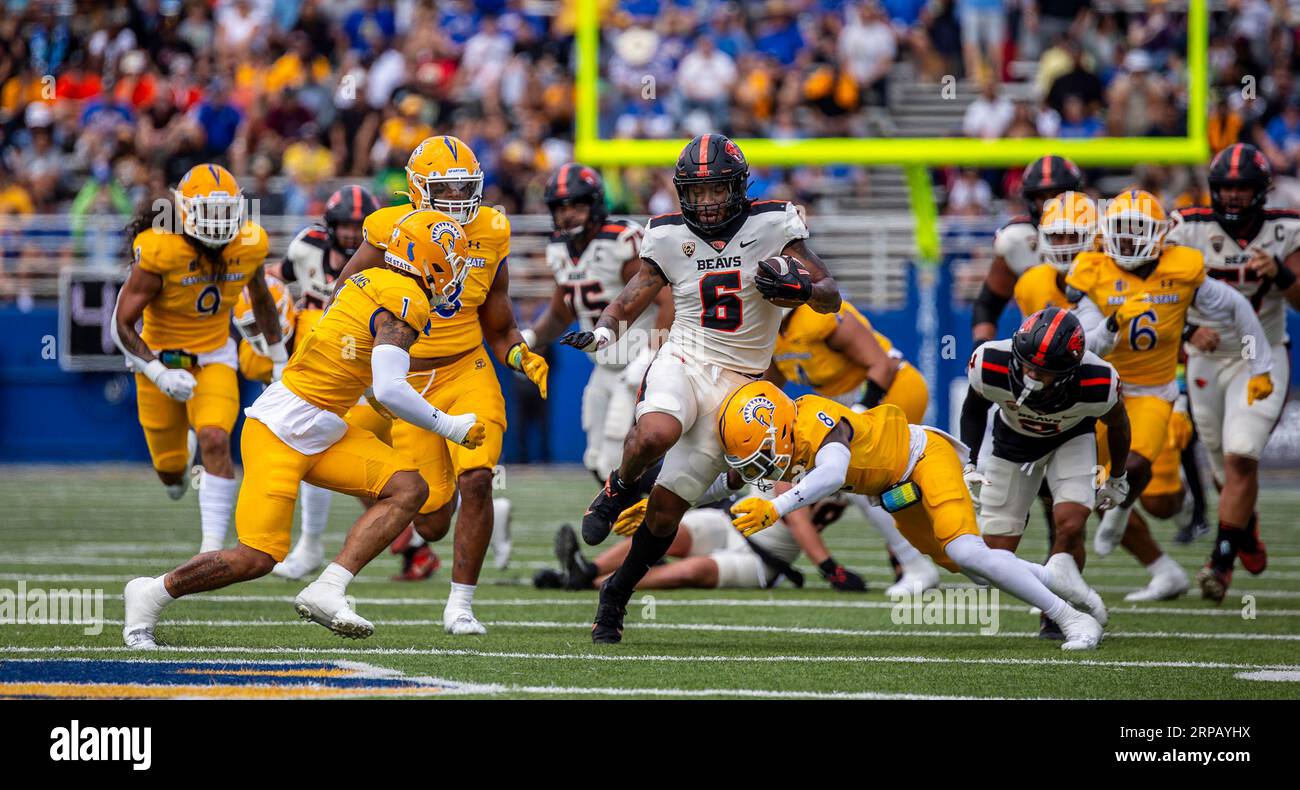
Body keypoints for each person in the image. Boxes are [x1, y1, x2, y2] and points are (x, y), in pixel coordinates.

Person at [122, 210, 487, 648]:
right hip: (282, 429)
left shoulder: (368, 280)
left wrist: (371, 399)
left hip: (325, 424)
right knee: (257, 557)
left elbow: (354, 361)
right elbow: (391, 387)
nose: (458, 272)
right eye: (453, 260)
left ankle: (327, 588)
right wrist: (450, 426)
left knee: (409, 488)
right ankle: (151, 593)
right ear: (428, 259)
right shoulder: (406, 300)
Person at [561, 133, 842, 644]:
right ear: (682, 192)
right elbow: (629, 298)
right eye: (699, 191)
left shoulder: (775, 222)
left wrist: (801, 287)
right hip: (685, 357)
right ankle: (618, 488)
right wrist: (603, 333)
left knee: (668, 511)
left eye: (717, 190)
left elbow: (830, 295)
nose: (708, 202)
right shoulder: (667, 234)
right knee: (654, 435)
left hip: (741, 385)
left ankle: (616, 595)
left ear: (737, 187)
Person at [332, 136, 547, 634]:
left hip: (466, 370)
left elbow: (498, 320)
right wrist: (363, 360)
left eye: (464, 188)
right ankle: (478, 518)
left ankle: (461, 606)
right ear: (416, 188)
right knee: (430, 521)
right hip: (409, 381)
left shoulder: (490, 229)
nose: (456, 200)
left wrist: (518, 353)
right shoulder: (388, 226)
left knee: (477, 477)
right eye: (443, 189)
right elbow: (347, 293)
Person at [718, 381, 1106, 650]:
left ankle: (1070, 617)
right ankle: (1055, 575)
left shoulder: (813, 418)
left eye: (764, 455)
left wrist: (776, 506)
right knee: (975, 570)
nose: (763, 468)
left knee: (969, 552)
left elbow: (833, 472)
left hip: (922, 457)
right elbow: (727, 479)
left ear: (782, 426)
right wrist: (670, 504)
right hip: (896, 493)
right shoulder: (781, 439)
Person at [1068, 189, 1275, 601]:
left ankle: (1122, 512)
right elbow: (1086, 346)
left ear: (1157, 235)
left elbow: (1239, 308)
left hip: (1152, 390)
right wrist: (1111, 326)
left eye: (1136, 231)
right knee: (1080, 485)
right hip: (1099, 388)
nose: (1126, 241)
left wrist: (1260, 365)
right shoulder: (1093, 269)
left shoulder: (1182, 268)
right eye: (1120, 232)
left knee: (1137, 463)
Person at [112, 164, 285, 554]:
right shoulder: (160, 249)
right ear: (185, 210)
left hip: (213, 357)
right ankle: (178, 467)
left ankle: (210, 550)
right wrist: (156, 372)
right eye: (209, 211)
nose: (218, 222)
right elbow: (120, 324)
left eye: (226, 212)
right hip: (158, 359)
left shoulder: (249, 243)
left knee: (215, 437)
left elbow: (261, 300)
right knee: (171, 474)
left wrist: (278, 359)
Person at [1165, 143, 1300, 601]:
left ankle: (1220, 563)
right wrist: (1186, 329)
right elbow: (1159, 291)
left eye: (1243, 188)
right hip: (1205, 357)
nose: (1235, 196)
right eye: (1227, 187)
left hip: (1259, 355)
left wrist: (1281, 272)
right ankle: (1247, 529)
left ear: (1260, 191)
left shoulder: (1285, 229)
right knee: (1221, 461)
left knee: (1242, 454)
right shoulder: (1188, 228)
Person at [961, 307, 1129, 634]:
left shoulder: (1098, 381)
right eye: (1026, 365)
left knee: (1070, 521)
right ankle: (1056, 579)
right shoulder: (990, 362)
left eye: (1043, 371)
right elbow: (974, 408)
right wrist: (969, 460)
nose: (1032, 375)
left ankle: (1056, 612)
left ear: (1069, 370)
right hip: (1011, 443)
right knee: (989, 562)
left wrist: (1117, 476)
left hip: (1071, 440)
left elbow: (1119, 425)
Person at [767, 301, 940, 596]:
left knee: (859, 477)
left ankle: (916, 562)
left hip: (891, 392)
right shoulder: (770, 331)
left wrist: (857, 415)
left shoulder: (818, 315)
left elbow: (881, 365)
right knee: (870, 483)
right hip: (846, 409)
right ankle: (919, 551)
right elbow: (769, 389)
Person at [522, 163, 671, 481]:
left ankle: (662, 516)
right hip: (605, 364)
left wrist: (649, 355)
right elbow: (562, 313)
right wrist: (530, 339)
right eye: (560, 207)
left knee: (617, 447)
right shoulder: (560, 250)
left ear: (595, 203)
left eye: (577, 204)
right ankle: (631, 516)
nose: (567, 214)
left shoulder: (620, 241)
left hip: (639, 360)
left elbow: (667, 300)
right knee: (595, 456)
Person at [539, 498, 867, 593]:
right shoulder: (777, 436)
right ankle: (587, 570)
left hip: (767, 556)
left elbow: (798, 517)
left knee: (694, 570)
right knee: (668, 529)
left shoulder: (841, 465)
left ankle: (594, 583)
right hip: (730, 522)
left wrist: (830, 569)